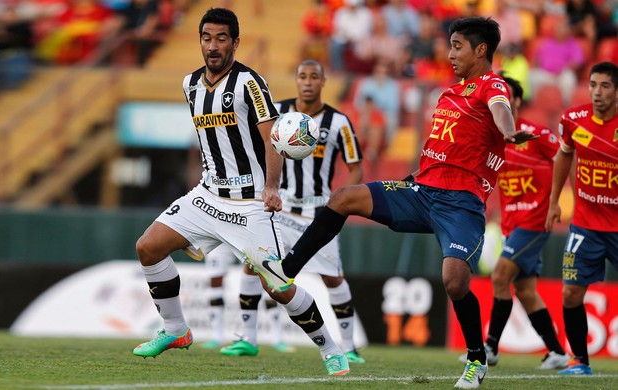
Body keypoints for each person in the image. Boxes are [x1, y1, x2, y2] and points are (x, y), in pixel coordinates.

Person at [245, 17, 537, 389]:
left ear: (481, 50)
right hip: (422, 191)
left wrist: (509, 132)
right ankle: (286, 269)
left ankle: (477, 359)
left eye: (458, 47)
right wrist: (412, 179)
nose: (449, 54)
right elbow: (441, 151)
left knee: (455, 281)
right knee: (344, 197)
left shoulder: (492, 85)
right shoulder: (449, 95)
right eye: (450, 46)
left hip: (461, 204)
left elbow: (500, 110)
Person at [131, 7, 350, 377]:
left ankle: (330, 347)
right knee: (148, 247)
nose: (213, 46)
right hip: (206, 196)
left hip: (248, 205)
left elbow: (273, 139)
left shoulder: (250, 83)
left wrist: (270, 187)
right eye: (206, 38)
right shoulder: (189, 85)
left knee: (279, 287)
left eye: (220, 38)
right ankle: (176, 330)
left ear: (235, 41)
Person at [219, 59, 366, 364]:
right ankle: (247, 338)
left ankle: (349, 346)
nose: (308, 82)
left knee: (333, 278)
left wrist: (340, 203)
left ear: (323, 81)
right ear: (296, 80)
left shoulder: (338, 122)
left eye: (314, 76)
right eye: (302, 76)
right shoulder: (276, 113)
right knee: (254, 264)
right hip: (280, 207)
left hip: (318, 212)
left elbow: (356, 167)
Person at [457, 76, 570, 369]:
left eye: (508, 97)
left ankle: (490, 347)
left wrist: (556, 201)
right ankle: (557, 351)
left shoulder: (535, 134)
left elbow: (564, 158)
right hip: (511, 223)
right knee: (525, 292)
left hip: (535, 220)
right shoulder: (492, 137)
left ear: (517, 102)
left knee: (499, 276)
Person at [545, 61, 618, 376]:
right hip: (586, 225)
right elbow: (563, 154)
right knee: (571, 292)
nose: (597, 92)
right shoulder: (573, 120)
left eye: (605, 86)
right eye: (592, 85)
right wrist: (554, 201)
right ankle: (579, 362)